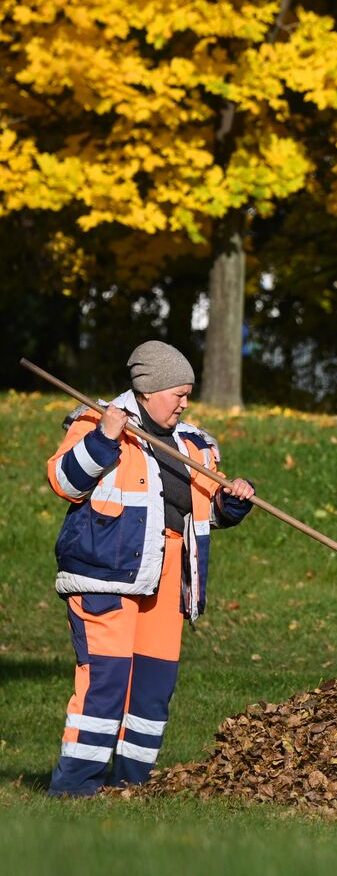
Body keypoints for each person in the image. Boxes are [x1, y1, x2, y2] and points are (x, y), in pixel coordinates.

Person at [46, 341, 256, 796]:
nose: (184, 402)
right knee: (106, 683)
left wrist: (233, 501)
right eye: (177, 393)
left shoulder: (194, 445)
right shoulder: (93, 422)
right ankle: (75, 789)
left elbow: (206, 514)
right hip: (106, 577)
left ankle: (130, 786)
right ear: (146, 389)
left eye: (187, 394)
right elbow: (65, 482)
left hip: (168, 581)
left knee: (152, 691)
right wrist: (103, 436)